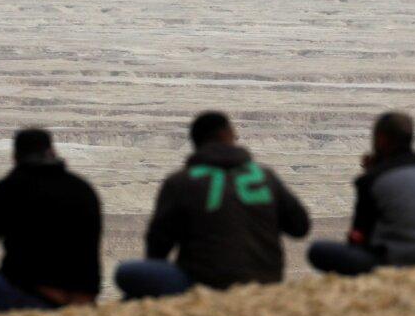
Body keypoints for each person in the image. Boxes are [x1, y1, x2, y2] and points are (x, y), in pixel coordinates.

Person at [115, 111, 310, 298]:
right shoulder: (265, 177)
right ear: (229, 135)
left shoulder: (180, 182)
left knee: (127, 272)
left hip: (202, 284)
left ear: (195, 143)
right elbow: (300, 227)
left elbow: (157, 246)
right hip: (264, 282)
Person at [0, 128, 103, 314]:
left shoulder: (6, 189)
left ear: (15, 156)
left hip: (27, 294)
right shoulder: (82, 188)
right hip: (81, 299)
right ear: (52, 152)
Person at [308, 112, 415, 276]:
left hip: (399, 266)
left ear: (381, 139)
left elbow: (359, 238)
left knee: (318, 251)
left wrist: (371, 173)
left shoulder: (374, 179)